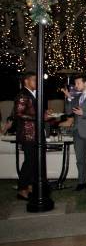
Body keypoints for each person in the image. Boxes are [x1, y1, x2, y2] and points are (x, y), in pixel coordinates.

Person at [14, 72, 38, 201]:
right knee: (29, 162)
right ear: (26, 81)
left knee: (33, 161)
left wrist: (44, 113)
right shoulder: (23, 94)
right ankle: (22, 190)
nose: (37, 82)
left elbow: (31, 111)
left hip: (33, 134)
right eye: (34, 80)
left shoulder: (32, 94)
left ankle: (29, 187)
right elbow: (18, 114)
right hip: (27, 134)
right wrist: (38, 117)